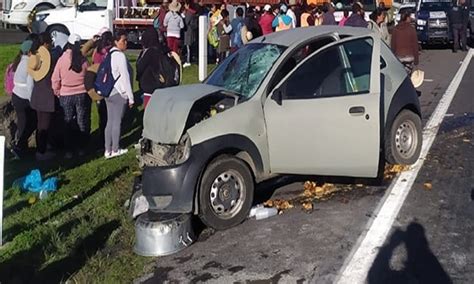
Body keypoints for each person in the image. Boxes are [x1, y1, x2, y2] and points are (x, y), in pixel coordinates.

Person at [51, 34, 90, 159]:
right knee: (81, 120)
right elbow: (89, 76)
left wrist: (57, 91)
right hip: (81, 94)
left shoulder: (62, 60)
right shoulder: (83, 60)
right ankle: (82, 147)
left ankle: (68, 150)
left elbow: (55, 79)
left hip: (66, 95)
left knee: (67, 122)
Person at [103, 31, 134, 159]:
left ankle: (107, 149)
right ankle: (115, 149)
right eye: (123, 40)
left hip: (108, 91)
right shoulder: (120, 56)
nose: (125, 43)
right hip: (119, 92)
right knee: (117, 121)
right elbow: (126, 78)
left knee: (109, 121)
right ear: (116, 41)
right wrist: (130, 97)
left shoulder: (109, 54)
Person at [28, 33, 57, 160]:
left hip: (37, 95)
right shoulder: (48, 59)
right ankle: (41, 152)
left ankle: (43, 147)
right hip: (45, 96)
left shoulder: (36, 56)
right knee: (44, 125)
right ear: (46, 43)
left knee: (40, 124)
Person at [11, 40, 35, 158]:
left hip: (17, 96)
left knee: (22, 123)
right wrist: (32, 100)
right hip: (24, 98)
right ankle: (20, 146)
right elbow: (30, 84)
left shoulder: (20, 61)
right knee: (31, 122)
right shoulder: (29, 63)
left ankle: (20, 147)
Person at [136, 27, 165, 109]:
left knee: (149, 110)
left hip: (150, 85)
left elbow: (140, 67)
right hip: (162, 84)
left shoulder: (149, 52)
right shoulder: (162, 49)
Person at [391, 10, 419, 75]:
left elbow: (393, 45)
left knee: (400, 75)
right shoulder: (411, 29)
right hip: (409, 57)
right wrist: (416, 61)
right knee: (408, 76)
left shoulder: (395, 29)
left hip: (398, 57)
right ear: (407, 18)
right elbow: (415, 45)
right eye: (409, 17)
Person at [183, 0, 198, 67]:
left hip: (188, 31)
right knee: (190, 46)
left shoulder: (188, 13)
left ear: (188, 5)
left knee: (188, 46)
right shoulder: (193, 13)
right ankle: (191, 58)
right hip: (191, 31)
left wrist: (183, 17)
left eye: (185, 5)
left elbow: (186, 22)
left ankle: (188, 60)